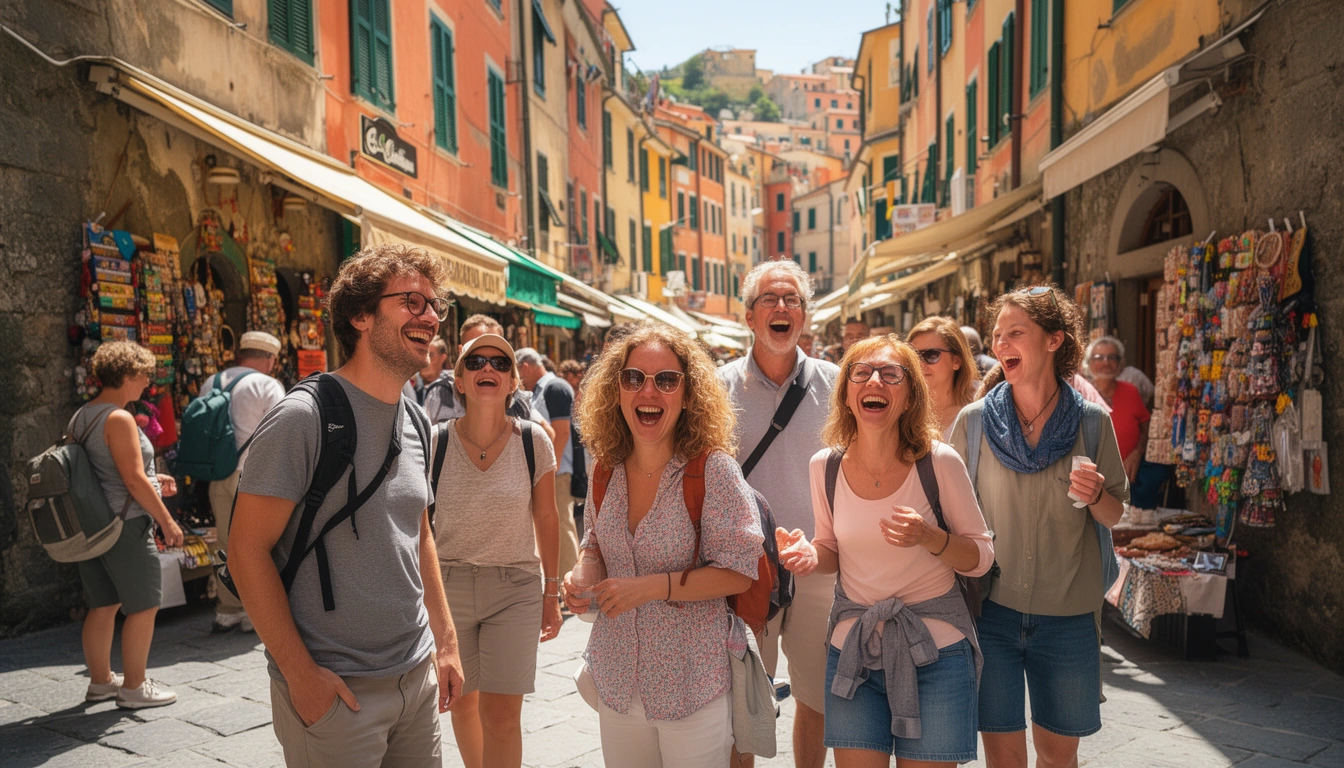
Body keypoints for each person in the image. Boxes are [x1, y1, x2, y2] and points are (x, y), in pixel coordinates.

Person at [228, 244, 465, 767]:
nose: (430, 317)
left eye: (434, 305)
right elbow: (245, 551)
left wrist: (445, 642)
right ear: (360, 315)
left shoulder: (417, 419)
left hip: (415, 678)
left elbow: (418, 529)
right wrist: (300, 675)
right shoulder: (302, 418)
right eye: (411, 302)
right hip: (336, 690)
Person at [778, 336, 993, 766]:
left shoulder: (940, 462)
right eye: (861, 373)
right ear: (847, 393)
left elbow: (982, 557)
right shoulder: (825, 465)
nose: (875, 381)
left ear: (909, 394)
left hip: (937, 653)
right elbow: (831, 550)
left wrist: (929, 537)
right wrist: (810, 555)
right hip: (853, 651)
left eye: (890, 374)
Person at [561, 324, 764, 766]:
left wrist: (651, 587)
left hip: (692, 683)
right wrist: (584, 574)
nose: (648, 390)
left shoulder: (714, 469)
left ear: (688, 395)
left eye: (666, 380)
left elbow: (739, 568)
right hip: (617, 678)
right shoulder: (605, 467)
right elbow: (595, 540)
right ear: (617, 390)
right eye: (634, 378)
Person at [948, 286, 1129, 768]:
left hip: (1068, 616)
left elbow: (1115, 515)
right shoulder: (974, 424)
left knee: (1056, 759)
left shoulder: (1092, 423)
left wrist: (1095, 496)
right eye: (998, 334)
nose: (1002, 343)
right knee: (1004, 760)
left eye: (1016, 333)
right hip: (993, 614)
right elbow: (952, 519)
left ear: (1054, 340)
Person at [719, 259, 840, 768]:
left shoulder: (839, 385)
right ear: (749, 317)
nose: (782, 307)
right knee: (741, 701)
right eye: (770, 298)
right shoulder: (718, 389)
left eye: (793, 299)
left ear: (806, 317)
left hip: (818, 564)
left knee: (817, 700)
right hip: (747, 569)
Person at [434, 333, 563, 768]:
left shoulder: (533, 441)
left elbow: (547, 519)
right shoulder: (434, 442)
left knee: (503, 716)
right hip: (450, 589)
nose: (487, 369)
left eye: (500, 363)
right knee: (463, 704)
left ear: (512, 382)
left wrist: (552, 593)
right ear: (460, 380)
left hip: (516, 589)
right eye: (475, 362)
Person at [76, 341, 184, 709]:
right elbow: (133, 480)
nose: (147, 384)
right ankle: (135, 687)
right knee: (144, 605)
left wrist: (158, 481)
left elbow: (108, 474)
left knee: (103, 603)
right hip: (126, 523)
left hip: (94, 524)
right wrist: (166, 521)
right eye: (143, 376)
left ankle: (101, 682)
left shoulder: (82, 415)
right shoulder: (119, 417)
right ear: (127, 375)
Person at [204, 331, 286, 634]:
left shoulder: (210, 382)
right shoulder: (266, 385)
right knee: (259, 545)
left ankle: (228, 610)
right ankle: (256, 613)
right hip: (254, 475)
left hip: (217, 474)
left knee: (225, 543)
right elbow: (282, 431)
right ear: (269, 358)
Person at [517, 347, 580, 581]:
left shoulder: (554, 387)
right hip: (551, 471)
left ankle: (570, 583)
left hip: (557, 472)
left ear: (525, 367)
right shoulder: (544, 389)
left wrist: (548, 470)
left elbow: (561, 433)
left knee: (563, 526)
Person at [435, 315, 554, 439]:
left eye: (498, 360)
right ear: (461, 351)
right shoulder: (440, 392)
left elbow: (547, 434)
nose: (487, 367)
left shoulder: (517, 399)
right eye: (475, 358)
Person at [1084, 337, 1150, 482]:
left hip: (1130, 478)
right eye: (1099, 357)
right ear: (1089, 363)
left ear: (1121, 364)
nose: (1106, 362)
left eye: (1112, 357)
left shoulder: (1131, 391)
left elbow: (1146, 427)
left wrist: (1137, 453)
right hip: (1091, 480)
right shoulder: (1080, 394)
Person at [909, 317, 980, 439]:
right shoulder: (902, 410)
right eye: (913, 356)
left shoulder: (981, 409)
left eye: (931, 355)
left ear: (956, 361)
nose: (920, 364)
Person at [404, 336, 453, 423]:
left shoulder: (451, 388)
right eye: (421, 354)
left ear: (443, 358)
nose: (425, 360)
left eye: (431, 355)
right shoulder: (410, 386)